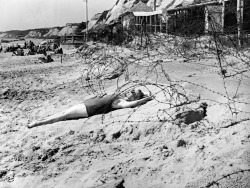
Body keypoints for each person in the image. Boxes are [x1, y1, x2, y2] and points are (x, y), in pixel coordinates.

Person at [27, 92, 154, 128]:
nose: (130, 93)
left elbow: (133, 104)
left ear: (134, 97)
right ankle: (39, 120)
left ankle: (37, 123)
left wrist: (146, 99)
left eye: (133, 93)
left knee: (63, 115)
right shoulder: (119, 96)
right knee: (62, 113)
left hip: (88, 110)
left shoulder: (121, 102)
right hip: (86, 104)